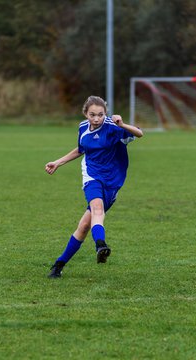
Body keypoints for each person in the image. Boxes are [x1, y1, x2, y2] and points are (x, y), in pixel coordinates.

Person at [45, 95, 143, 278]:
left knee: (83, 227)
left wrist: (122, 124)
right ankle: (100, 245)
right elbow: (81, 149)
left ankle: (59, 265)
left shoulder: (113, 128)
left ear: (105, 113)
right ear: (85, 114)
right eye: (92, 115)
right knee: (97, 209)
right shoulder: (83, 127)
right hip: (92, 176)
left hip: (113, 182)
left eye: (100, 114)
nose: (96, 118)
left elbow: (139, 133)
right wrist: (58, 162)